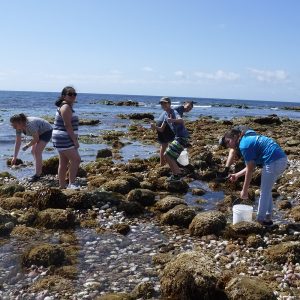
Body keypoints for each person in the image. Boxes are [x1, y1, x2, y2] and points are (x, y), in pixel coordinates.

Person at [222, 128, 287, 225]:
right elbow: (251, 166)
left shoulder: (244, 146)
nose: (228, 145)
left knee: (264, 191)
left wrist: (244, 190)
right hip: (281, 159)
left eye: (228, 141)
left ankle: (260, 220)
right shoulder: (247, 138)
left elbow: (250, 170)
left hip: (273, 161)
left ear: (235, 137)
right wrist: (237, 175)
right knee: (266, 190)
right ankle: (268, 217)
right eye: (226, 144)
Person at [151, 97, 189, 181]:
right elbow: (161, 129)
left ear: (169, 104)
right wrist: (154, 127)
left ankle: (178, 174)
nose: (163, 105)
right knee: (166, 155)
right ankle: (176, 175)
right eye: (162, 103)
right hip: (177, 138)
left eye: (165, 103)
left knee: (168, 155)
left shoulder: (174, 112)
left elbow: (181, 120)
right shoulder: (165, 114)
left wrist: (172, 120)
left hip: (183, 137)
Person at [52, 86, 81, 189]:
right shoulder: (66, 107)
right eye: (70, 94)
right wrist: (75, 140)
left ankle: (62, 186)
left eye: (74, 94)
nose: (73, 96)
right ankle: (71, 184)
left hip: (60, 137)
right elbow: (67, 125)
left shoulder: (66, 106)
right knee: (76, 160)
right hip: (63, 137)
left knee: (63, 162)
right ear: (64, 96)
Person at [10, 113, 53, 182]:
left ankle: (37, 175)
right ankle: (37, 169)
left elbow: (36, 139)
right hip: (38, 131)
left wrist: (27, 146)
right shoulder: (18, 127)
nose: (13, 127)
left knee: (37, 152)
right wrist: (14, 157)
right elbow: (18, 141)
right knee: (33, 151)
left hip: (46, 131)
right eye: (12, 125)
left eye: (14, 125)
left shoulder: (29, 125)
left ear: (20, 122)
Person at [156, 98, 193, 166]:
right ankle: (173, 162)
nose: (188, 109)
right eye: (188, 107)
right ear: (184, 104)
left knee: (165, 144)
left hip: (161, 122)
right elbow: (177, 120)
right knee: (171, 143)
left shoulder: (180, 109)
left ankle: (164, 163)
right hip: (164, 124)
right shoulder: (179, 108)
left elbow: (177, 122)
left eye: (190, 108)